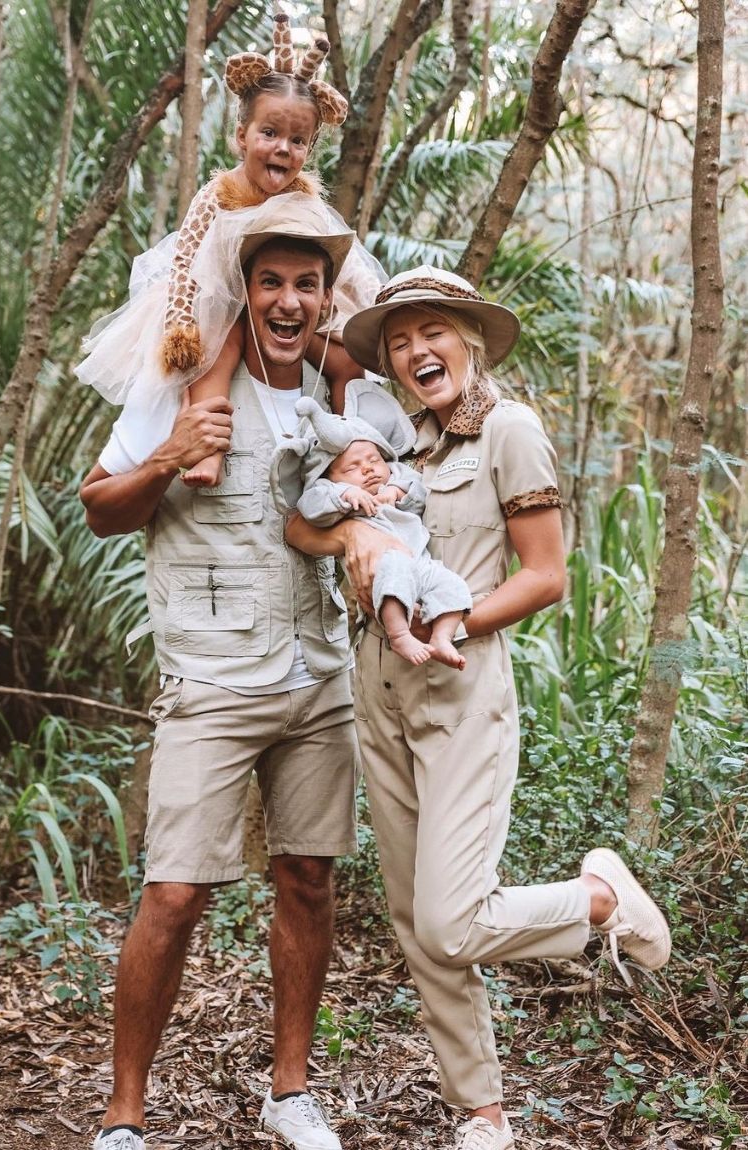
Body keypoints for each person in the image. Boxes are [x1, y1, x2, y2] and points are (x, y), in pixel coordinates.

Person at [286, 265, 672, 1150]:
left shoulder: (509, 430)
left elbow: (545, 574)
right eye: (397, 339)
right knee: (415, 924)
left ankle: (599, 901)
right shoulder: (388, 443)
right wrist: (351, 528)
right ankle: (481, 1112)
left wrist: (448, 615)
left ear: (467, 337)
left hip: (460, 687)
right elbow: (300, 523)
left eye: (432, 332)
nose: (416, 350)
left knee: (450, 918)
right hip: (376, 692)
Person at [79, 197, 363, 1150]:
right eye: (272, 281)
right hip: (211, 679)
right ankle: (124, 1116)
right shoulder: (184, 380)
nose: (289, 301)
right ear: (244, 291)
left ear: (326, 299)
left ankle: (290, 1091)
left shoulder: (336, 393)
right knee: (174, 891)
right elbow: (100, 508)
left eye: (306, 285)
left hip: (319, 676)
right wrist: (169, 455)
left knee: (309, 877)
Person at [76, 11, 383, 488]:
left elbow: (349, 265)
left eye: (297, 140)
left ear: (310, 147)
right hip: (214, 300)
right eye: (270, 134)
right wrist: (182, 322)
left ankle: (353, 448)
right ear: (242, 137)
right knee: (217, 347)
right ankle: (209, 450)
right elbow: (184, 258)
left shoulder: (304, 198)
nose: (283, 148)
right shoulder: (218, 193)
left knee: (347, 361)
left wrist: (377, 311)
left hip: (281, 307)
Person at [271, 382, 471, 668]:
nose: (367, 469)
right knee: (394, 572)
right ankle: (399, 633)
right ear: (329, 477)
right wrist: (345, 495)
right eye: (352, 468)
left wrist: (396, 492)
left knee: (452, 585)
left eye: (374, 460)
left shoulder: (397, 476)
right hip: (386, 563)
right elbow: (311, 506)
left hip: (421, 562)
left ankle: (442, 636)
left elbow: (416, 488)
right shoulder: (333, 493)